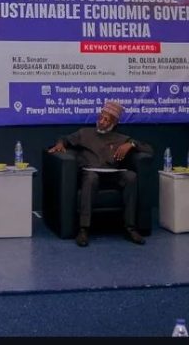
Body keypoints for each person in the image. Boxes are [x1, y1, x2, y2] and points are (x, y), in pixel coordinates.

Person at [48, 101, 152, 247]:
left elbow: (149, 150)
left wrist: (131, 144)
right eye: (101, 117)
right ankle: (84, 229)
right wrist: (60, 144)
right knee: (91, 178)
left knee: (131, 177)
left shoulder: (121, 138)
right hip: (90, 173)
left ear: (114, 123)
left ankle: (131, 228)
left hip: (113, 174)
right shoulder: (85, 133)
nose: (101, 122)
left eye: (106, 120)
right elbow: (64, 138)